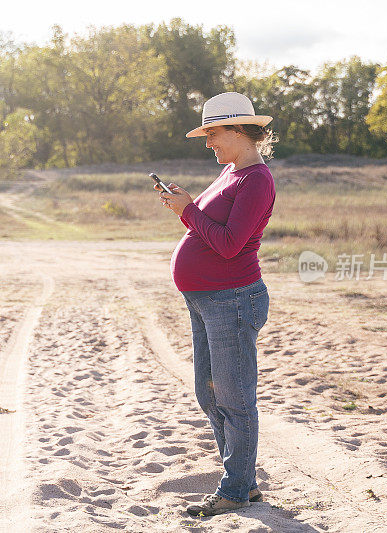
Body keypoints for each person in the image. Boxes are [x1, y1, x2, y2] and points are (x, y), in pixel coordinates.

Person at [156, 92, 276, 517]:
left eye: (213, 133)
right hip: (207, 301)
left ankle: (236, 489)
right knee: (208, 395)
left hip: (233, 300)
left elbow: (228, 245)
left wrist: (188, 211)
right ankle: (243, 481)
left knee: (234, 398)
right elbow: (211, 227)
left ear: (239, 130)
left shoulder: (256, 180)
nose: (208, 142)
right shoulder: (231, 172)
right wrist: (185, 205)